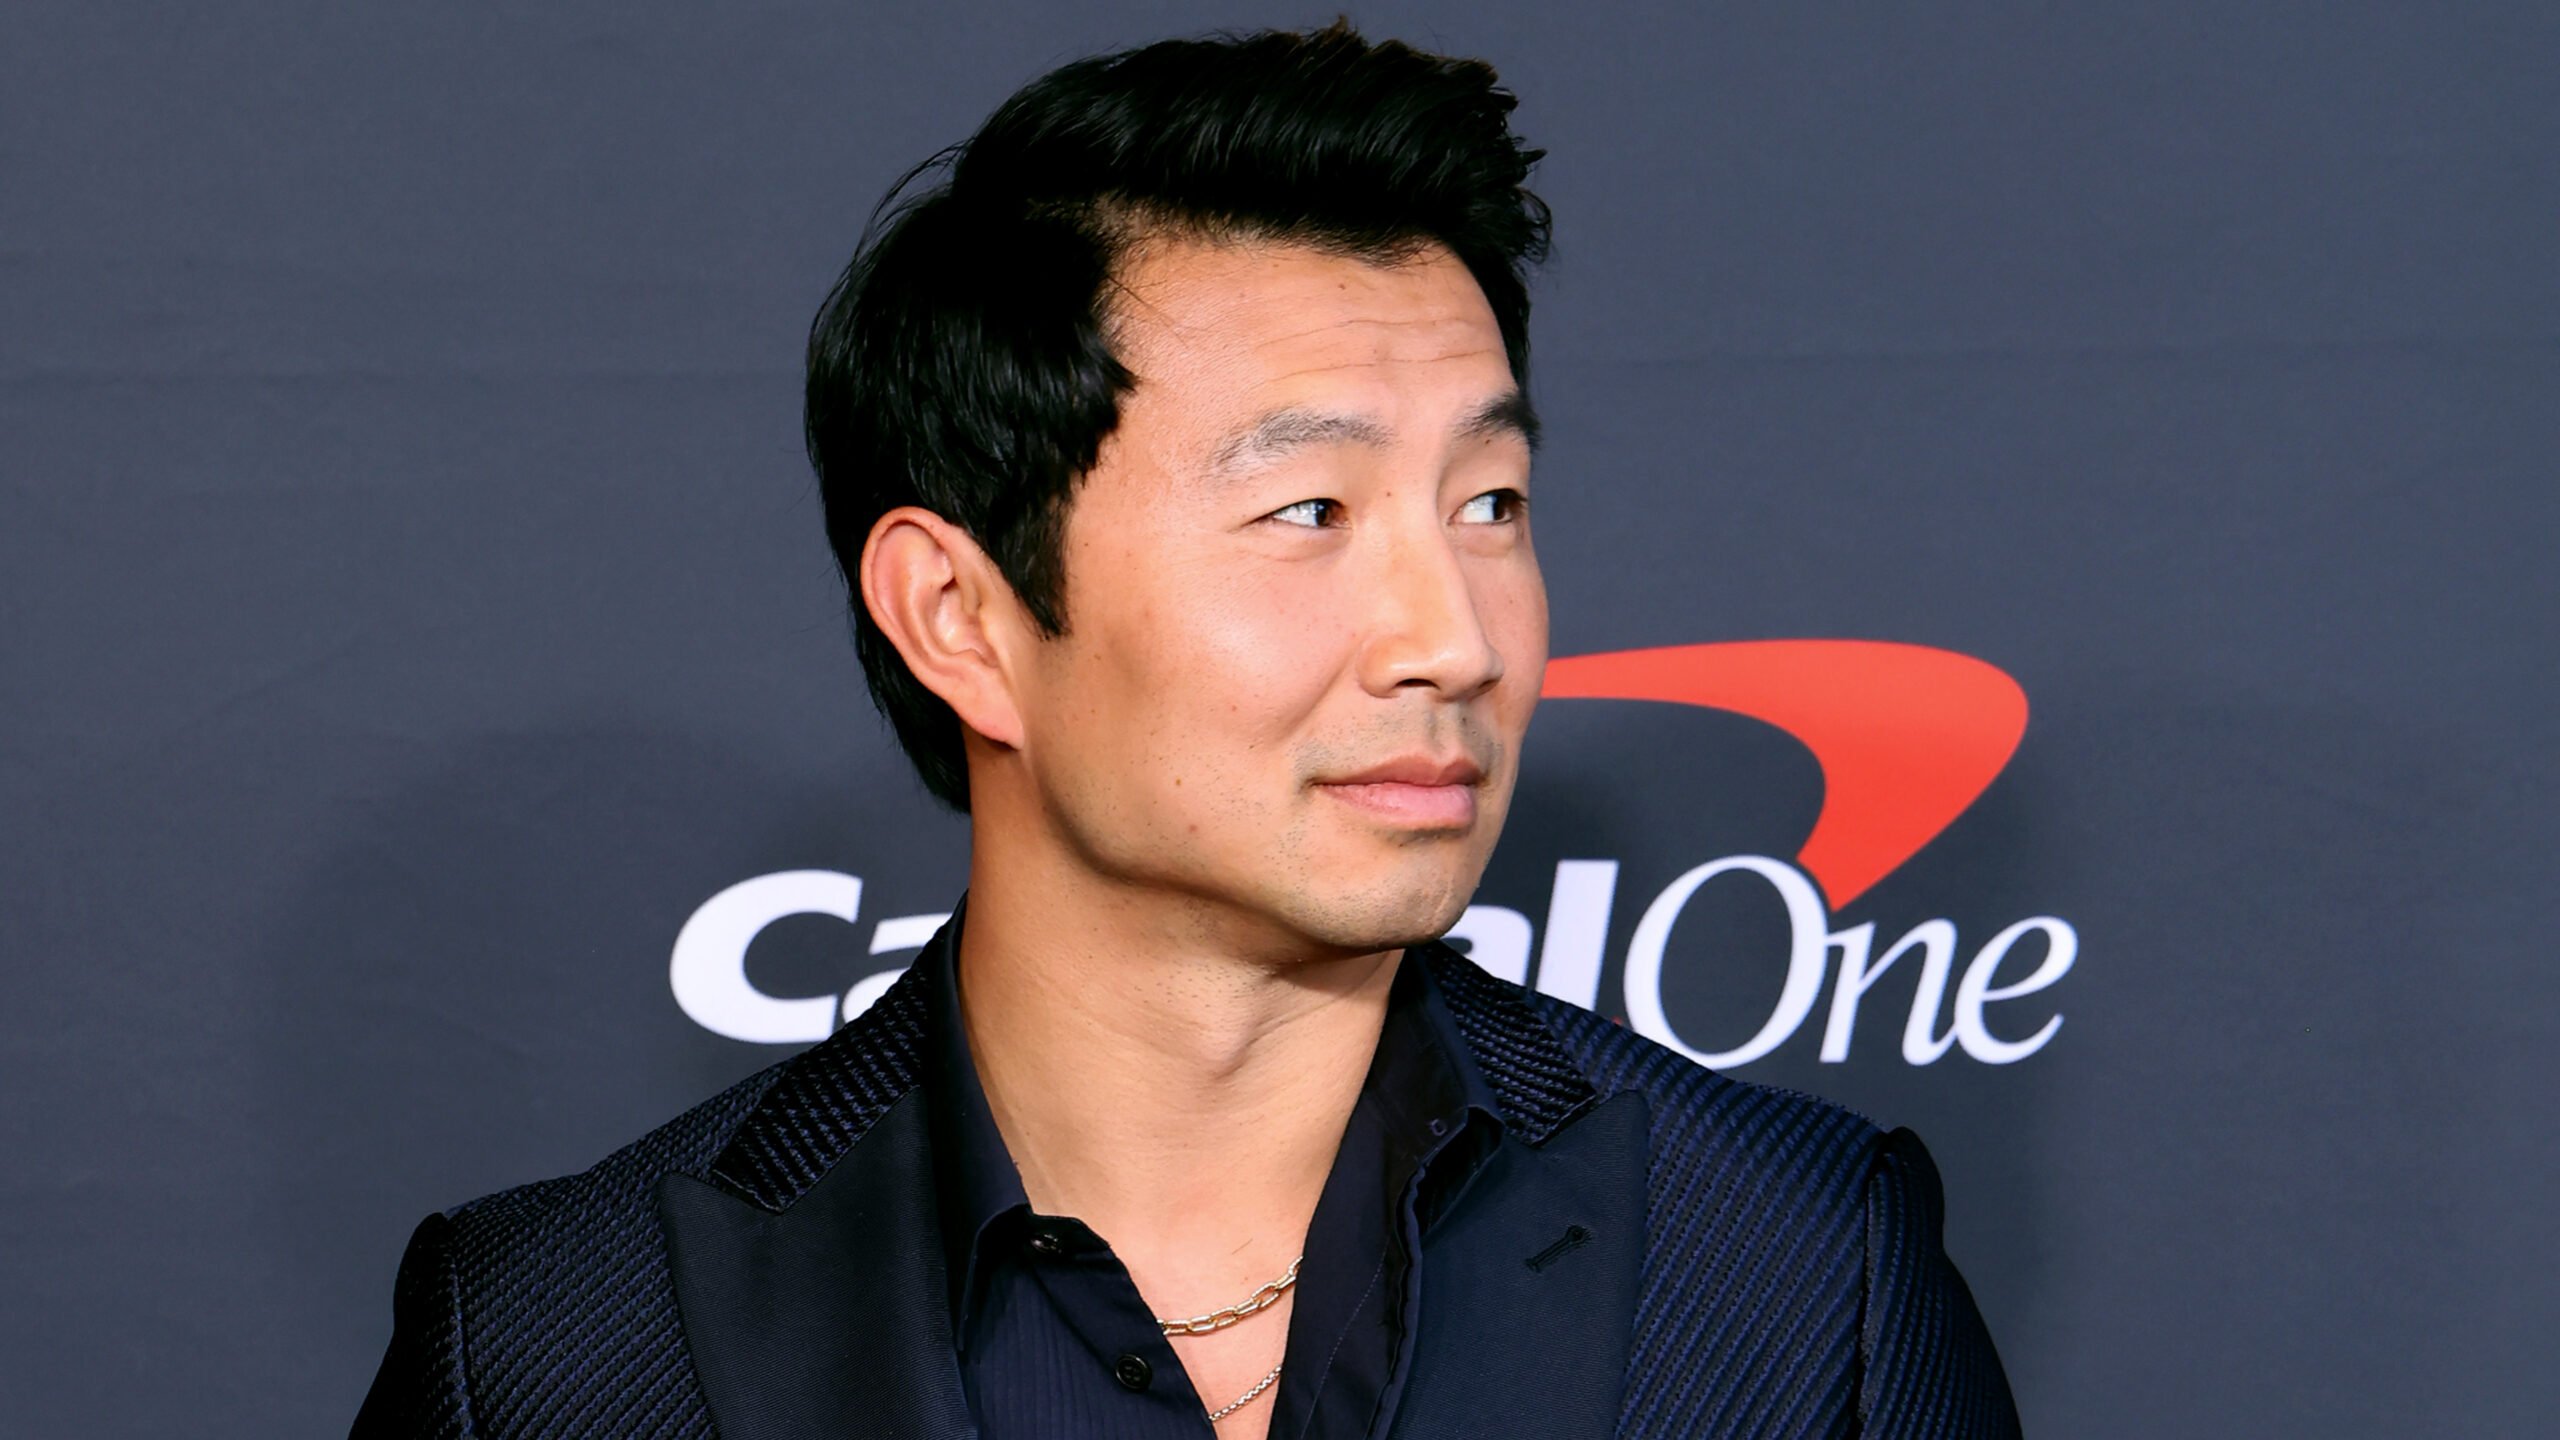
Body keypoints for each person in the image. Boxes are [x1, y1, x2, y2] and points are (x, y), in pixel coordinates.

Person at [353, 23, 2018, 1439]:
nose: (1452, 638)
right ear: (962, 617)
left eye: (1491, 502)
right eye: (1309, 511)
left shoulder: (1803, 1276)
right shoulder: (555, 1344)